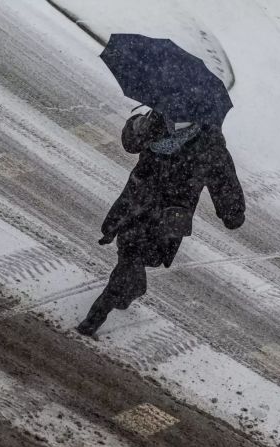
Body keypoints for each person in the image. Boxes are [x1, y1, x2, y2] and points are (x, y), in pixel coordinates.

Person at [76, 109, 245, 336]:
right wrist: (139, 125)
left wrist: (232, 212)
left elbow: (224, 182)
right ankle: (110, 304)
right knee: (129, 255)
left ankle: (110, 304)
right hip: (136, 205)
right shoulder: (157, 119)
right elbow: (130, 143)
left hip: (166, 220)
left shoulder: (210, 144)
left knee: (133, 259)